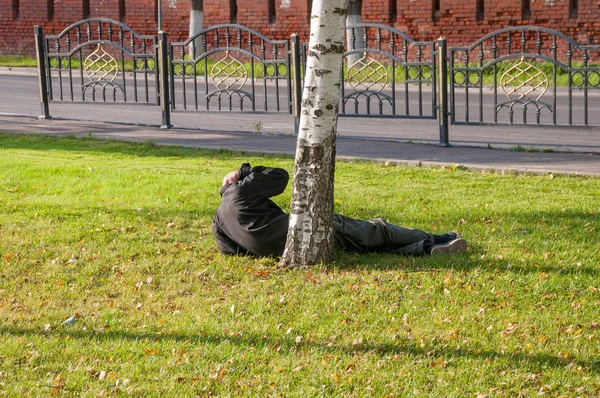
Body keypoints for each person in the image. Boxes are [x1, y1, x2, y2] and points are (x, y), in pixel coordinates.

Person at [212, 163, 467, 257]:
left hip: (283, 250)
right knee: (375, 232)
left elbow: (229, 251)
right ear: (233, 182)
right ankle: (438, 239)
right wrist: (245, 172)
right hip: (304, 228)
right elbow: (279, 177)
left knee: (361, 246)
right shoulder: (241, 189)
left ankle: (426, 250)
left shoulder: (218, 220)